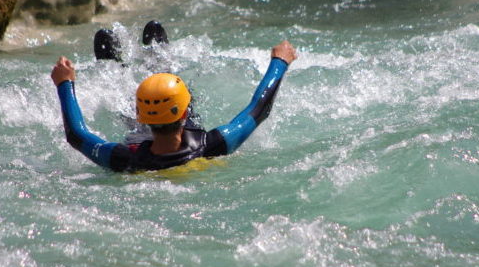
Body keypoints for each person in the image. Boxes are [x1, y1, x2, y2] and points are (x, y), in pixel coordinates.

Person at [51, 38, 298, 172]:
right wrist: (280, 61)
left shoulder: (125, 160)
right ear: (185, 112)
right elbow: (259, 109)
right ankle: (158, 62)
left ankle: (115, 69)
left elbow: (76, 134)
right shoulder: (212, 146)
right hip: (175, 132)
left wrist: (65, 83)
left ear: (141, 115)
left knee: (135, 131)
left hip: (142, 141)